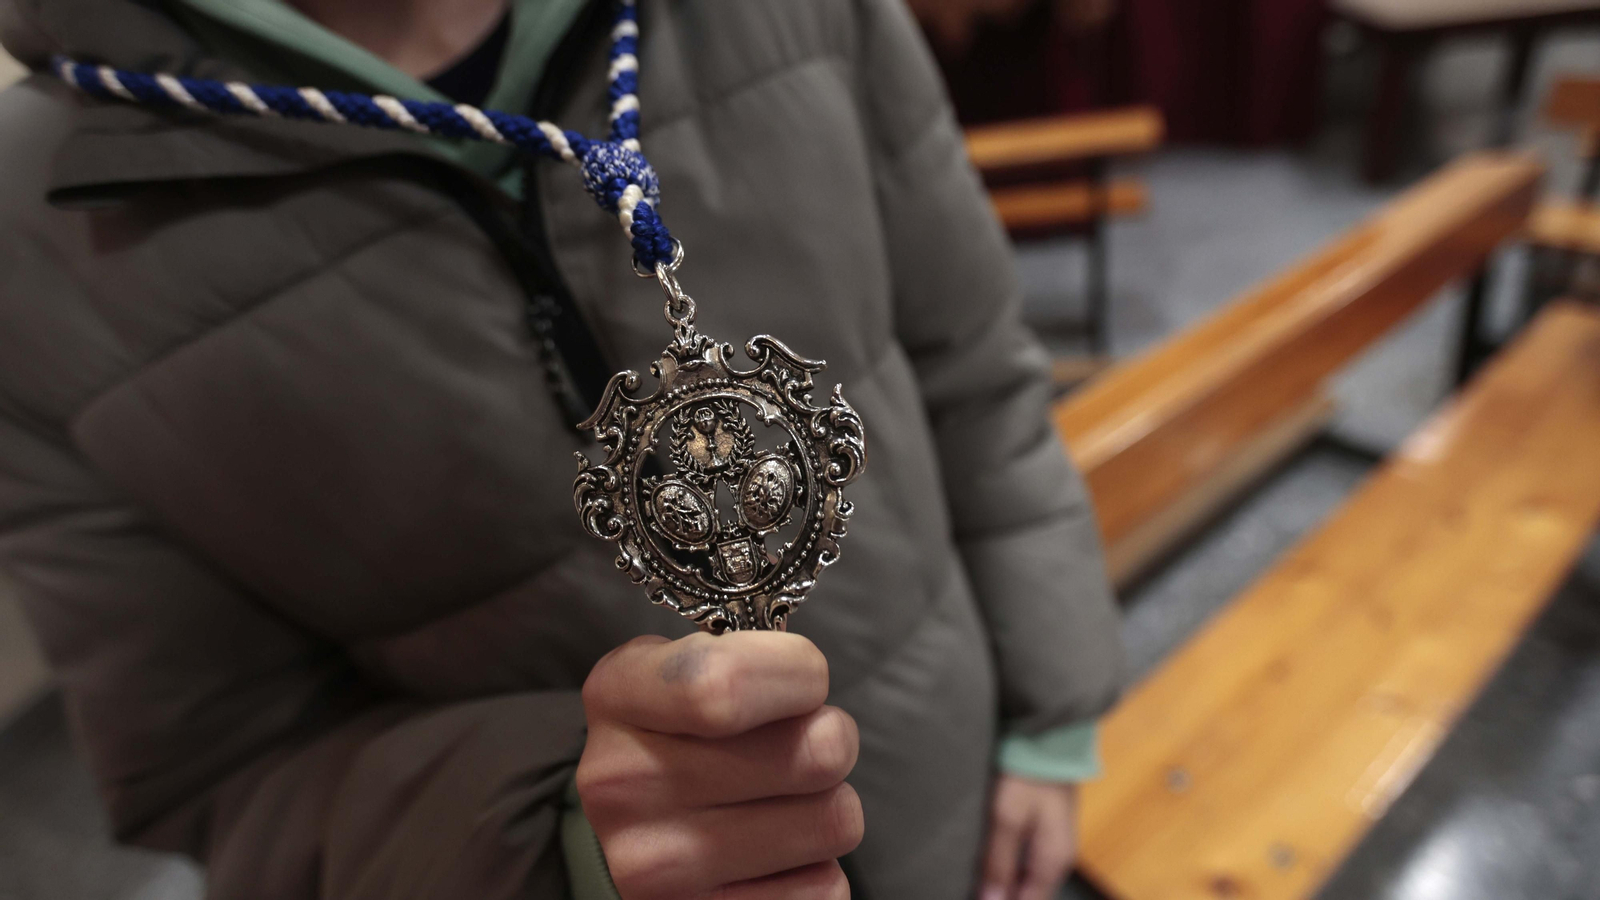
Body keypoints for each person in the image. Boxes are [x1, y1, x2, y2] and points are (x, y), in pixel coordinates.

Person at [0, 0, 1123, 898]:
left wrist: (1051, 709)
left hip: (960, 795)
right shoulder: (30, 252)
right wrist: (553, 842)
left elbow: (976, 370)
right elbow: (220, 772)